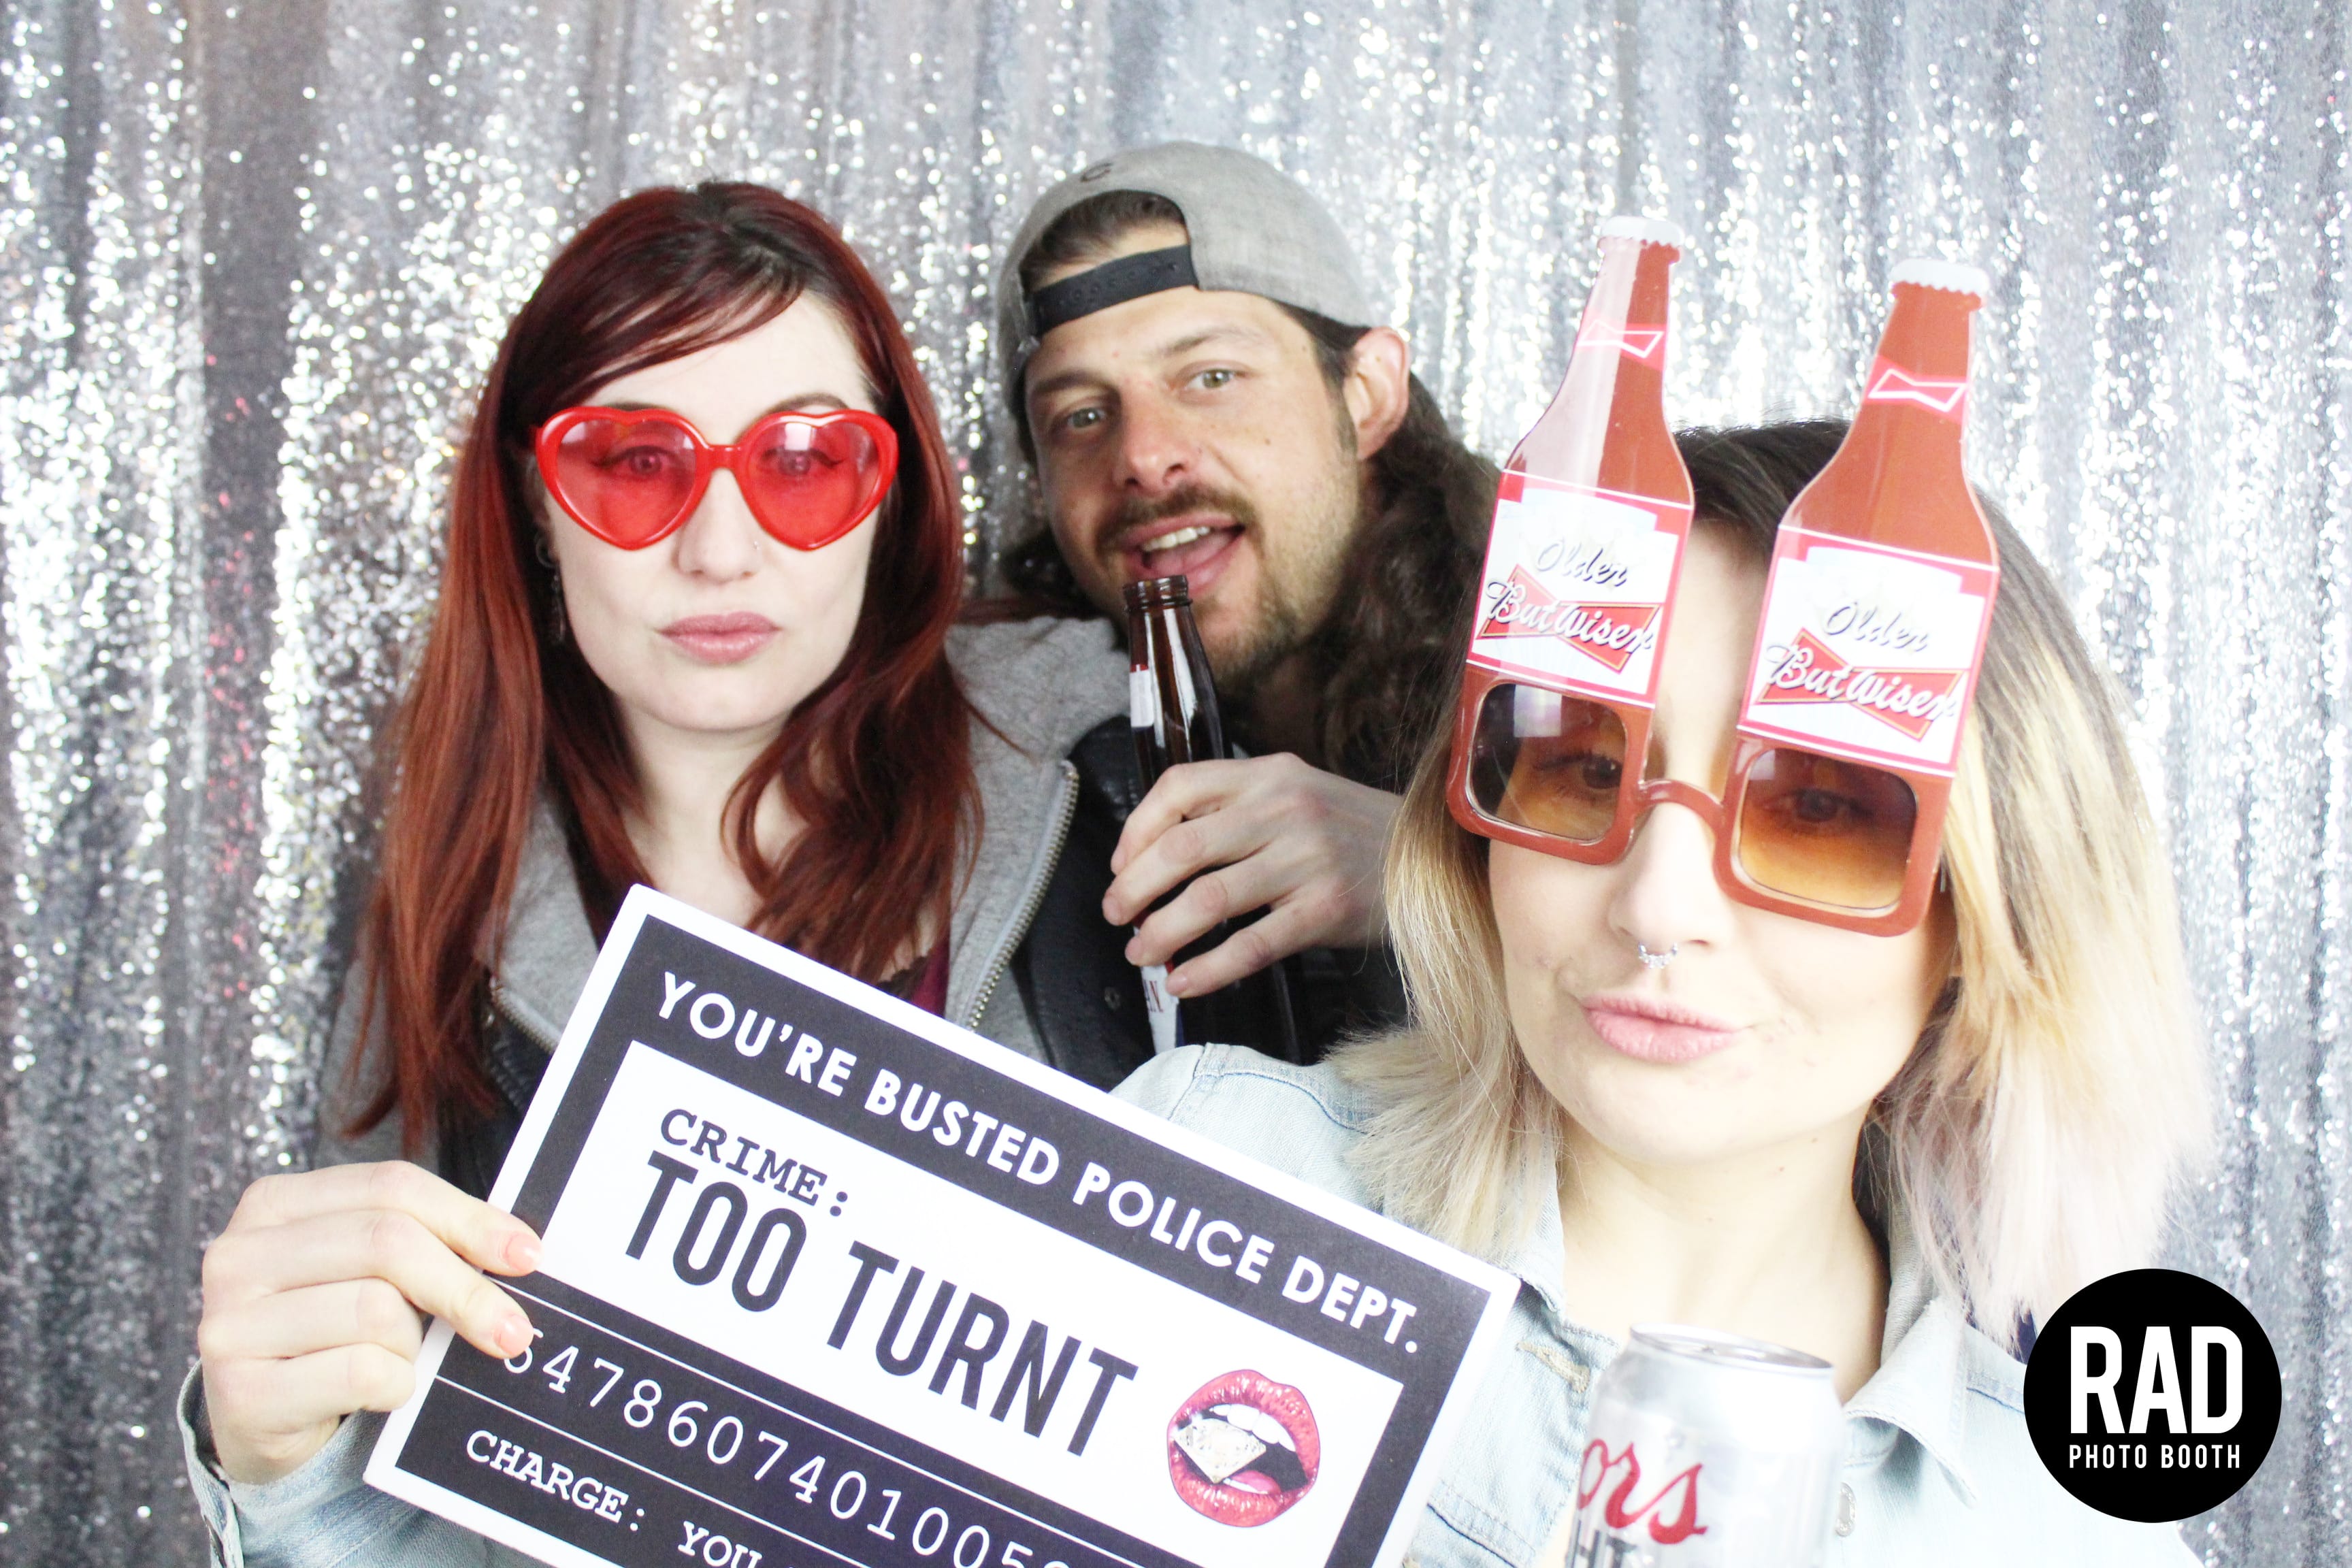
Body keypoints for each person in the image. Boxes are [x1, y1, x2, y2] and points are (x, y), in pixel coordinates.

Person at [180, 184, 1128, 1558]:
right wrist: (286, 1479)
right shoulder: (447, 894)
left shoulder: (1119, 783)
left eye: (803, 459)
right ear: (536, 505)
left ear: (896, 498)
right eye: (635, 463)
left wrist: (1392, 859)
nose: (720, 550)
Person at [1116, 421, 2211, 1564]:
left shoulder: (2074, 1540)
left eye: (1819, 808)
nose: (1656, 906)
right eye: (1586, 768)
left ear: (1992, 904)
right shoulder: (1193, 1175)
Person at [988, 142, 1499, 1066]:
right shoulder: (1005, 731)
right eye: (1081, 415)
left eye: (1211, 377)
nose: (1144, 456)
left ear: (1367, 396)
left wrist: (1425, 876)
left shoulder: (1557, 683)